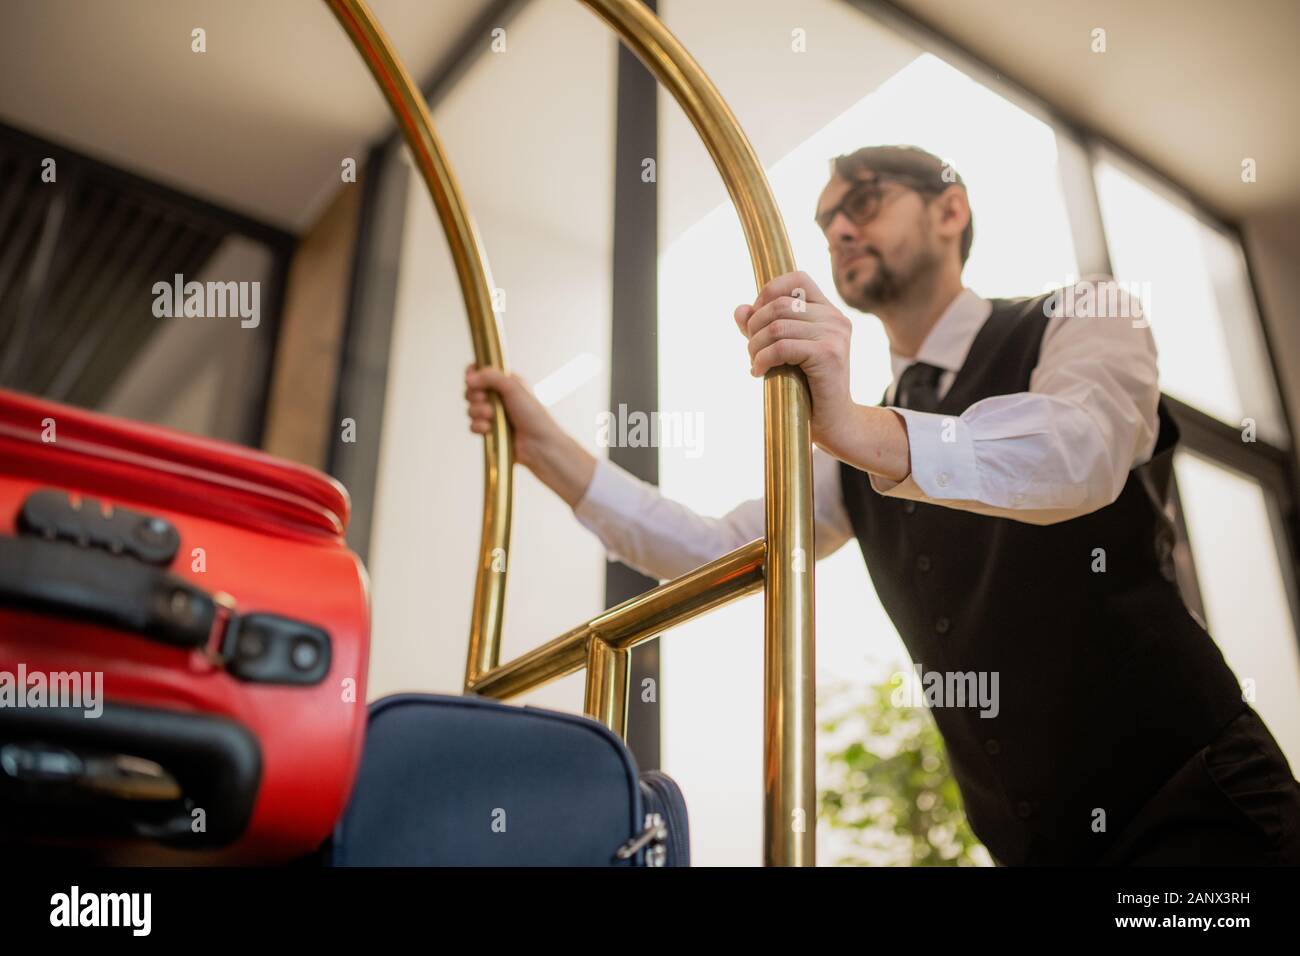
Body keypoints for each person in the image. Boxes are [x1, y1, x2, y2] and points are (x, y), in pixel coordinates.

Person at [463, 145, 1300, 866]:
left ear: (951, 209)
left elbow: (1075, 452)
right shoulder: (857, 454)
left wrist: (859, 427)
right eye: (827, 220)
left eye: (862, 202)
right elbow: (711, 551)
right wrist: (543, 447)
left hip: (1201, 804)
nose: (837, 230)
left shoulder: (1085, 313)